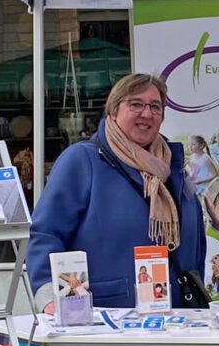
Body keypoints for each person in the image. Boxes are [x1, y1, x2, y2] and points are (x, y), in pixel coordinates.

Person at [27, 73, 206, 311]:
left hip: (177, 317)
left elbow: (195, 241)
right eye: (136, 104)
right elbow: (47, 234)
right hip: (108, 317)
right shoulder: (83, 160)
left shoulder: (172, 165)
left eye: (155, 106)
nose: (147, 113)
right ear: (113, 111)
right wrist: (51, 298)